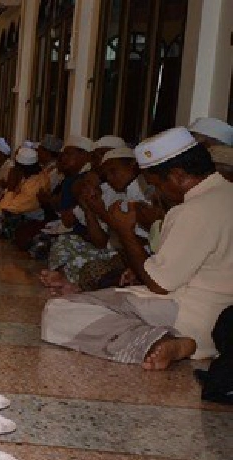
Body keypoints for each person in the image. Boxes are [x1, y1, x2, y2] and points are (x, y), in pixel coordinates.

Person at [42, 127, 233, 369]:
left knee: (58, 310)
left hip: (187, 317)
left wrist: (124, 232)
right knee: (95, 300)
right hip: (223, 322)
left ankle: (160, 341)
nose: (158, 192)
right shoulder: (225, 195)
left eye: (156, 184)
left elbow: (159, 284)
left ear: (177, 175)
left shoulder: (193, 210)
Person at [43, 147, 152, 295]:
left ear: (133, 166)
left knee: (92, 269)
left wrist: (100, 212)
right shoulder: (113, 190)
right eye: (107, 175)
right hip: (119, 251)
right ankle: (66, 276)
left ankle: (72, 281)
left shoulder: (142, 194)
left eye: (114, 172)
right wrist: (88, 209)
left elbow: (140, 241)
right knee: (63, 242)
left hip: (138, 257)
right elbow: (99, 240)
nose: (111, 179)